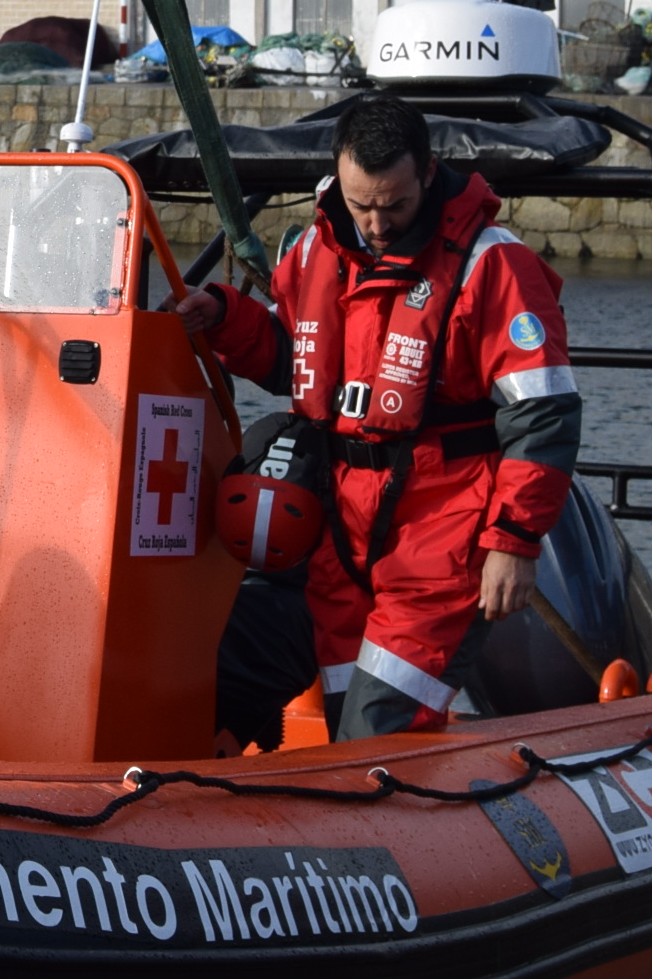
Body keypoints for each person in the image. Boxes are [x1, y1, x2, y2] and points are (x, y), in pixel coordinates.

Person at [174, 92, 580, 740]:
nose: (378, 222)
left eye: (394, 205)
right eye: (362, 205)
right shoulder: (314, 252)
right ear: (338, 178)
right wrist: (226, 317)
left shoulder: (492, 263)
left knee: (378, 726)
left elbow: (543, 414)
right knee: (342, 724)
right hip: (341, 536)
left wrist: (513, 543)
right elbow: (295, 364)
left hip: (442, 533)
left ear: (427, 174)